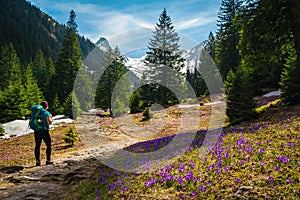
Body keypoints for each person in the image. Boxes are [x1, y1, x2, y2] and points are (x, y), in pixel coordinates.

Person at [33, 101, 54, 166]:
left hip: (37, 131)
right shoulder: (46, 113)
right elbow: (49, 122)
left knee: (37, 146)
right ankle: (48, 160)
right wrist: (51, 117)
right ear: (46, 106)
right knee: (48, 145)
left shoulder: (36, 113)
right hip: (45, 131)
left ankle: (37, 161)